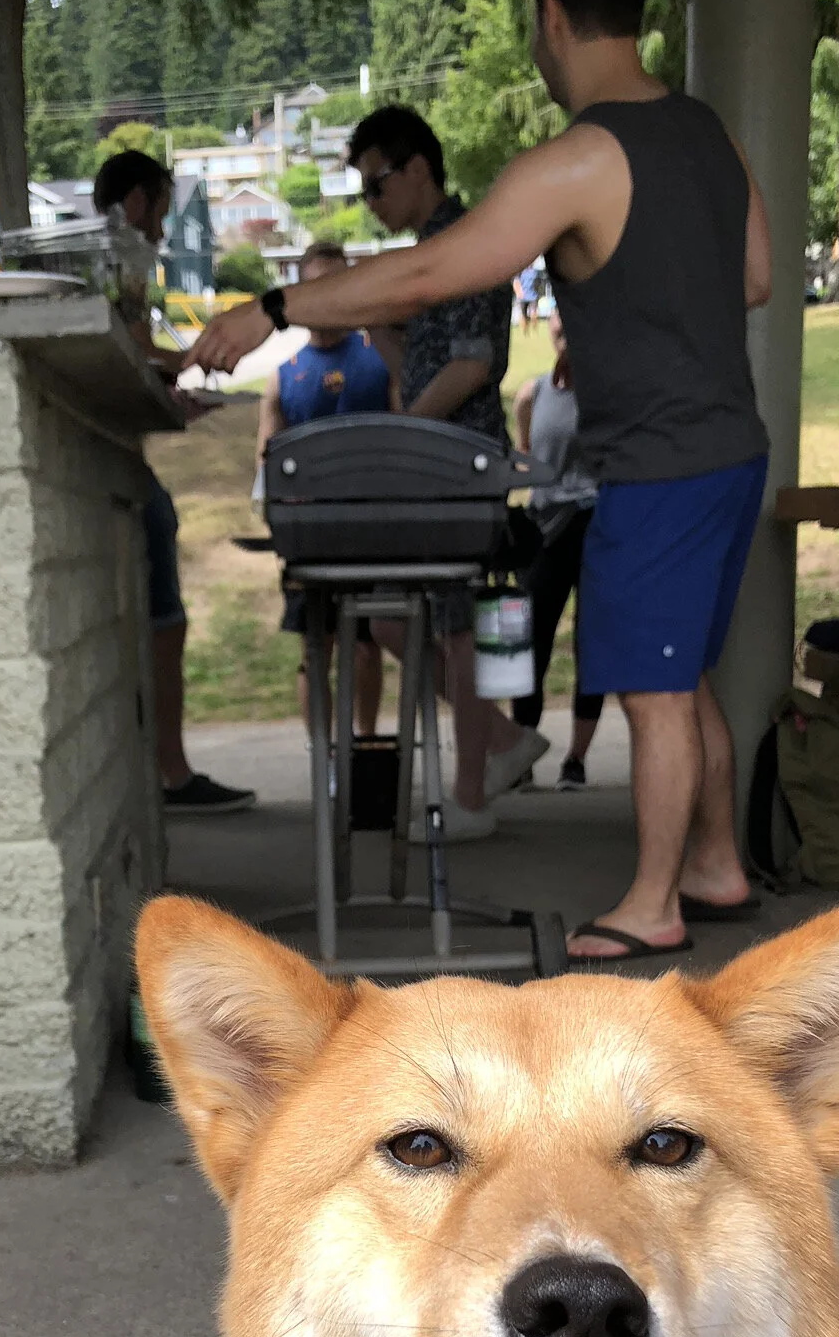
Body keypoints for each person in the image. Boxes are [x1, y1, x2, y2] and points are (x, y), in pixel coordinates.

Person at [186, 0, 771, 958]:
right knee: (688, 674)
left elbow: (427, 272)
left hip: (659, 463)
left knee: (657, 691)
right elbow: (754, 276)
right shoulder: (709, 133)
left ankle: (652, 901)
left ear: (550, 19)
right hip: (730, 450)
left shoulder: (578, 159)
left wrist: (270, 309)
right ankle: (714, 864)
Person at [343, 104, 547, 843]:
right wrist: (381, 338)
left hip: (462, 460)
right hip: (444, 456)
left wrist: (408, 432)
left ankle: (470, 795)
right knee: (409, 617)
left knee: (460, 627)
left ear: (417, 168)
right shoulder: (430, 253)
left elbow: (472, 364)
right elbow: (432, 365)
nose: (371, 203)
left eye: (376, 184)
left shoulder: (464, 248)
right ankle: (498, 742)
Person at [93, 151, 254, 814]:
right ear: (138, 201)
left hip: (116, 454)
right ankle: (172, 771)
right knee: (165, 609)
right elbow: (130, 350)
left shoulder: (102, 254)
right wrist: (193, 358)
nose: (162, 229)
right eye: (160, 210)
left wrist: (170, 390)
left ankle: (160, 765)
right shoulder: (119, 253)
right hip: (114, 466)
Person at [256, 240, 390, 737]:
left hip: (371, 528)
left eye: (339, 285)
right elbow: (265, 460)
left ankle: (369, 742)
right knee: (316, 647)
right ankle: (324, 758)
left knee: (366, 641)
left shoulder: (381, 358)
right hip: (309, 534)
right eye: (319, 287)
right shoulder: (283, 376)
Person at [510, 307, 604, 789]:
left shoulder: (609, 395)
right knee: (528, 642)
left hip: (594, 524)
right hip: (545, 528)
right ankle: (519, 756)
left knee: (591, 640)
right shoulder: (533, 393)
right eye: (559, 327)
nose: (566, 336)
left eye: (574, 327)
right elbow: (526, 460)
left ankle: (577, 759)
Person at [514, 261, 541, 328]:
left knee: (525, 315)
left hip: (524, 296)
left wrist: (518, 292)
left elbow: (516, 282)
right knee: (531, 313)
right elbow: (538, 284)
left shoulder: (521, 272)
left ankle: (526, 331)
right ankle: (532, 328)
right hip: (530, 296)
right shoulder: (535, 272)